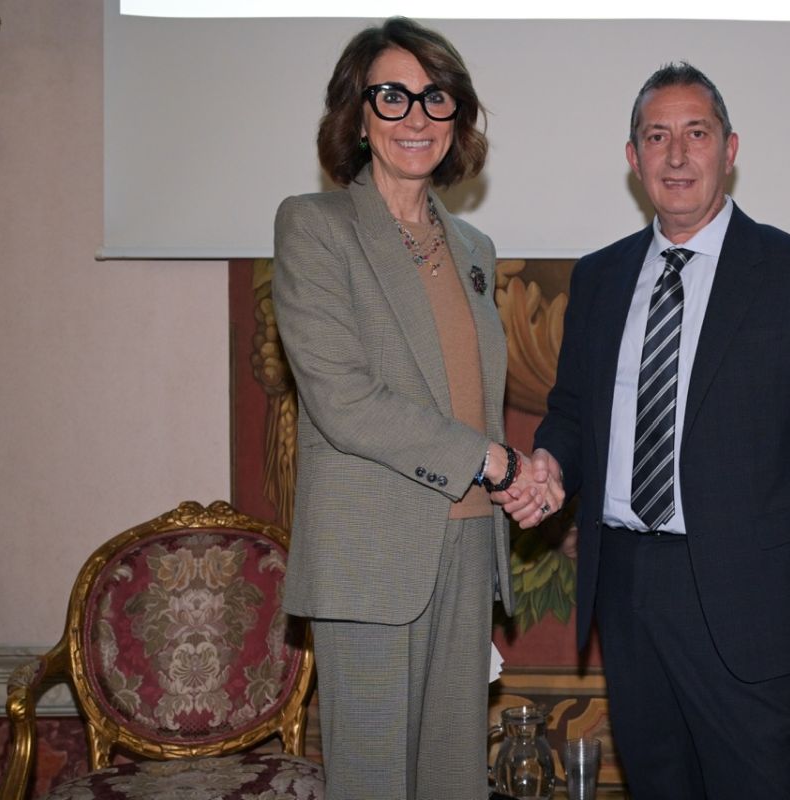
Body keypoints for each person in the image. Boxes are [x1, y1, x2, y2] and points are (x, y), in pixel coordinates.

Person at [507, 63, 790, 798]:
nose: (677, 155)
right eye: (657, 136)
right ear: (633, 157)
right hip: (627, 592)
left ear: (729, 149)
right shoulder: (599, 277)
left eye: (696, 134)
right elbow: (574, 411)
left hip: (750, 601)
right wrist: (551, 459)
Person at [272, 18, 545, 800]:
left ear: (457, 116)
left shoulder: (473, 248)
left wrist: (516, 479)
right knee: (374, 785)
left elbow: (468, 395)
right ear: (358, 116)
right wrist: (493, 463)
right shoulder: (315, 226)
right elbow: (343, 398)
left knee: (455, 783)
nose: (416, 116)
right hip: (370, 558)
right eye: (392, 97)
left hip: (468, 544)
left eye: (436, 97)